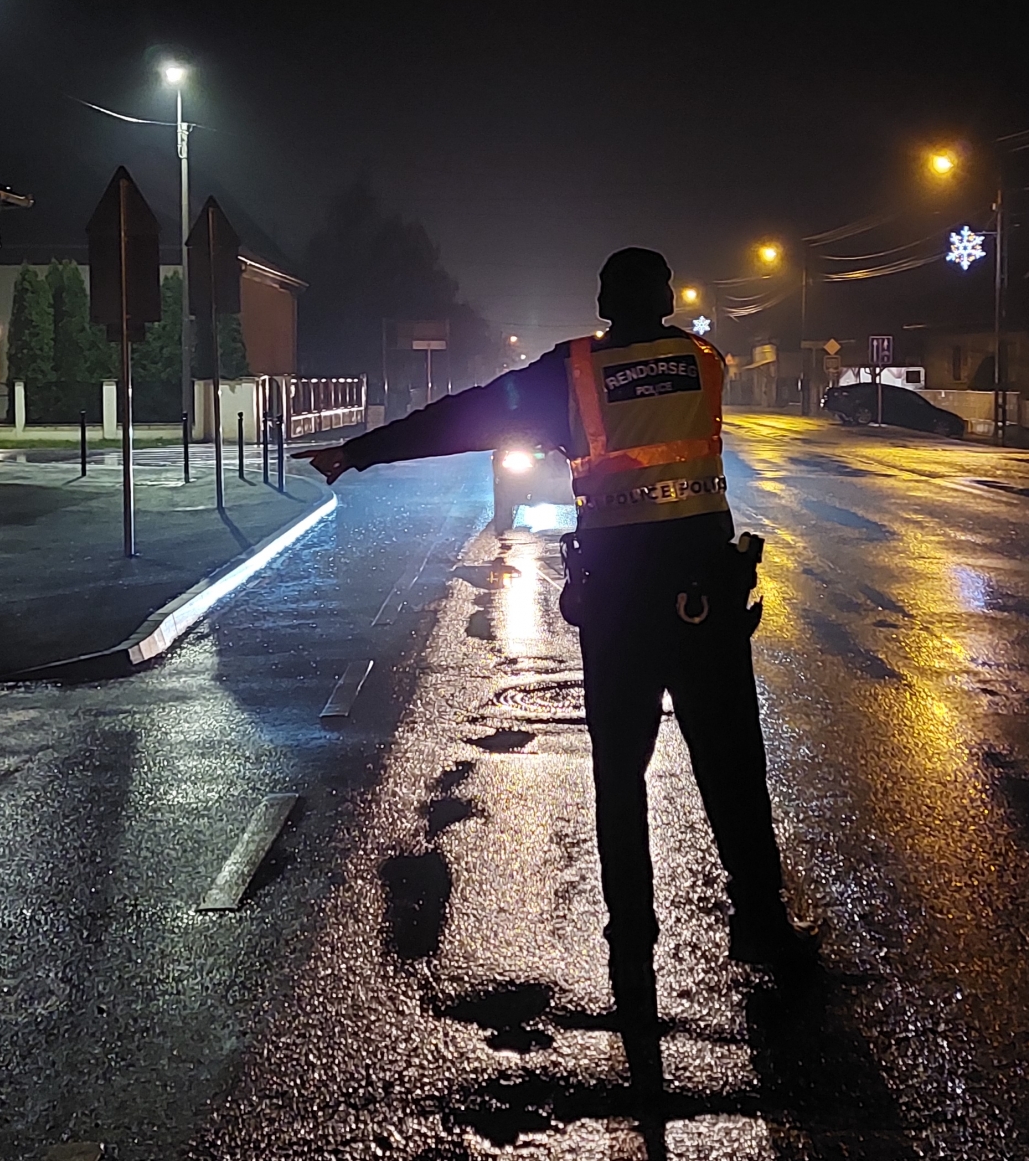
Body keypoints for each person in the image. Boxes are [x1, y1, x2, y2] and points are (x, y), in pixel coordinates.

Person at [303, 247, 814, 1029]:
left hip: (618, 602)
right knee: (734, 763)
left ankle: (630, 934)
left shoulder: (572, 374)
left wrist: (361, 451)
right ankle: (762, 923)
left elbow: (466, 416)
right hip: (703, 596)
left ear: (604, 301)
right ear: (669, 299)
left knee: (619, 772)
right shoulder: (703, 358)